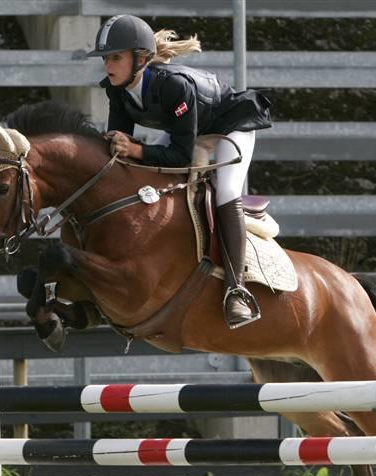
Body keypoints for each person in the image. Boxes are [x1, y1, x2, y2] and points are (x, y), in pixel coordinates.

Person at [87, 14, 272, 329]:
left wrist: (135, 149)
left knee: (226, 191)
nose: (108, 65)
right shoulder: (115, 88)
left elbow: (180, 155)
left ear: (141, 59)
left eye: (115, 57)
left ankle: (236, 289)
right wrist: (119, 146)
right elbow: (121, 148)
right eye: (106, 58)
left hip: (229, 126)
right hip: (188, 131)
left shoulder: (173, 86)